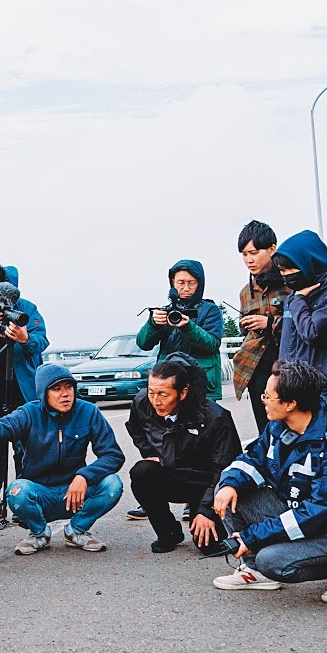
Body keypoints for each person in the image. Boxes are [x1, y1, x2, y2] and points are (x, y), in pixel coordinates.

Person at [208, 361, 327, 603]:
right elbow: (253, 460)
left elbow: (321, 511)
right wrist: (230, 483)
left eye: (267, 396)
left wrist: (253, 536)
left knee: (271, 561)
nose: (263, 401)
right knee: (227, 494)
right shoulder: (278, 426)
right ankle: (256, 571)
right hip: (302, 512)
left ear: (290, 404)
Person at [0, 363, 125, 555]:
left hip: (74, 494)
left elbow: (113, 455)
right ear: (43, 393)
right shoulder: (29, 413)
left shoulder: (88, 412)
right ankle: (39, 533)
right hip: (40, 496)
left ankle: (76, 530)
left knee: (112, 484)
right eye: (56, 389)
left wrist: (85, 476)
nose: (65, 394)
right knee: (16, 491)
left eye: (69, 387)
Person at [125, 354, 241, 554]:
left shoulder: (215, 417)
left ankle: (206, 518)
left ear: (183, 393)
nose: (156, 401)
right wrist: (149, 452)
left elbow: (225, 468)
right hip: (170, 475)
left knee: (209, 548)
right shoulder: (142, 402)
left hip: (205, 484)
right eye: (151, 392)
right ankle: (168, 532)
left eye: (163, 394)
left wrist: (206, 510)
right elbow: (134, 428)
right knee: (141, 472)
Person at [0, 263, 49, 524]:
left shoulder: (26, 308)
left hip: (22, 387)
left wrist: (25, 339)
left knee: (24, 446)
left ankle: (23, 499)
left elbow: (42, 341)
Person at [272, 231, 327, 403]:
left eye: (290, 268)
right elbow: (286, 343)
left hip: (324, 387)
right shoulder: (294, 295)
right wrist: (279, 375)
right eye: (282, 271)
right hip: (292, 385)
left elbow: (311, 333)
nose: (286, 275)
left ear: (309, 263)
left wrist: (299, 300)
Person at [136, 260, 224, 397]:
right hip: (168, 383)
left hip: (201, 382)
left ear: (200, 283)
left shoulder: (211, 310)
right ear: (173, 282)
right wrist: (153, 324)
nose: (186, 288)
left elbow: (211, 344)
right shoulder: (164, 311)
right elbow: (143, 344)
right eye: (181, 283)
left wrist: (188, 327)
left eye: (191, 283)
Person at [231, 221, 288, 432]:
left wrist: (270, 323)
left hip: (287, 367)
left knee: (290, 428)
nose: (249, 260)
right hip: (256, 369)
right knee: (265, 432)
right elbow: (245, 333)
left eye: (254, 253)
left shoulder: (289, 282)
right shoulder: (246, 292)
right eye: (244, 254)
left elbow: (301, 325)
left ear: (272, 249)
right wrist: (247, 324)